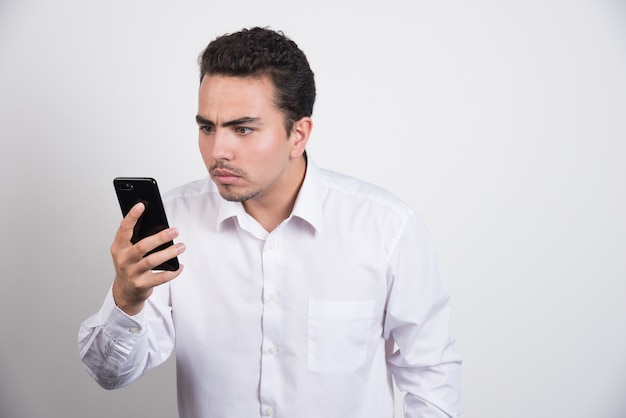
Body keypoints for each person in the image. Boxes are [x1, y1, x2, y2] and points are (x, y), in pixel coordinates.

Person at [78, 26, 462, 418]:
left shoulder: (385, 228)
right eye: (206, 127)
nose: (217, 150)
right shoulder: (174, 223)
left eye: (242, 129)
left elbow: (431, 375)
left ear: (298, 134)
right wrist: (127, 299)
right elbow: (110, 375)